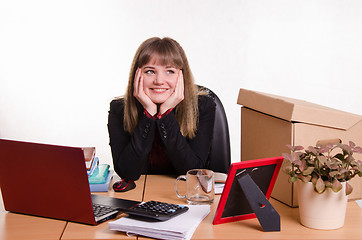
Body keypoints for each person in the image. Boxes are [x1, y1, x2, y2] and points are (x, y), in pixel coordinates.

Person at [107, 37, 216, 183]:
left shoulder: (203, 106)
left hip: (184, 195)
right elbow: (127, 173)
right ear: (137, 75)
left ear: (182, 75)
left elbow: (193, 172)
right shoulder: (119, 109)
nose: (159, 80)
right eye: (150, 71)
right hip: (140, 195)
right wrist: (149, 115)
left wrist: (165, 115)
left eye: (170, 71)